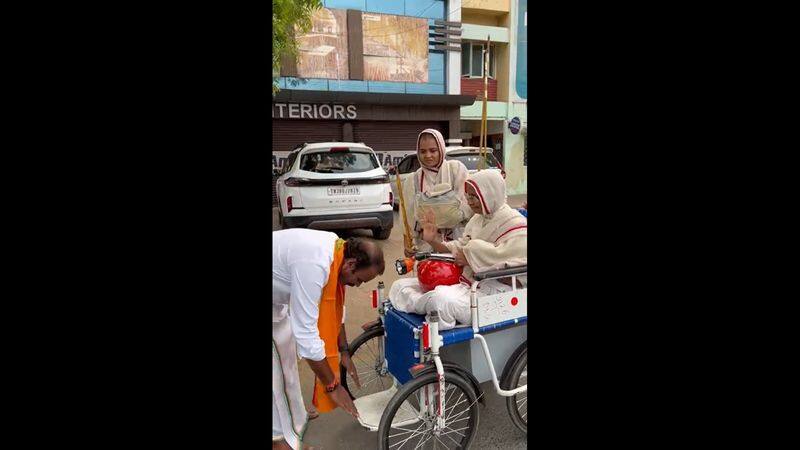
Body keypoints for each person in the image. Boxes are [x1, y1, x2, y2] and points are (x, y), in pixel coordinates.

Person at [272, 229, 385, 450]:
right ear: (351, 265)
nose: (357, 285)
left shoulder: (337, 251)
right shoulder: (315, 265)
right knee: (274, 373)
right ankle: (278, 440)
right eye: (360, 280)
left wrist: (343, 351)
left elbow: (336, 309)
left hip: (277, 297)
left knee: (287, 360)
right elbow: (306, 335)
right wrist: (333, 386)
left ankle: (296, 417)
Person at [390, 170, 527, 330]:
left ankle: (435, 344)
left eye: (474, 196)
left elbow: (516, 267)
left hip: (498, 291)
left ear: (490, 194)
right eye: (468, 196)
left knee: (440, 300)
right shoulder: (477, 219)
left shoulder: (516, 224)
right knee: (401, 286)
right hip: (470, 282)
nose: (469, 202)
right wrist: (433, 240)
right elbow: (459, 248)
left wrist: (472, 256)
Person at [401, 129, 473, 256]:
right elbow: (407, 216)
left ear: (441, 148)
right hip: (425, 247)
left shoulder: (456, 170)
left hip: (456, 244)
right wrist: (407, 243)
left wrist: (431, 216)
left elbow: (467, 207)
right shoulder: (413, 180)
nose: (428, 155)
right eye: (423, 151)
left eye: (433, 150)